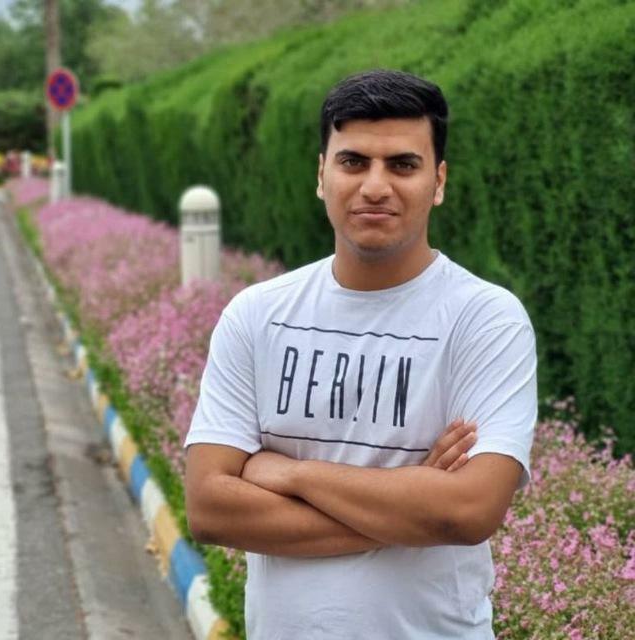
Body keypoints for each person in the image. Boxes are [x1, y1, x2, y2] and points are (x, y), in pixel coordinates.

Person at [184, 69, 537, 639]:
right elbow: (209, 507)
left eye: (403, 165)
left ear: (438, 182)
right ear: (321, 175)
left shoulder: (485, 320)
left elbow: (468, 511)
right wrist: (412, 503)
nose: (376, 186)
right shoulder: (257, 315)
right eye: (353, 162)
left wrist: (289, 472)